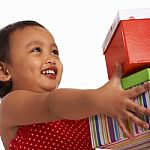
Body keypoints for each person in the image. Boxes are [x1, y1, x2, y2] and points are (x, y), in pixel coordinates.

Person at [0, 20, 150, 150]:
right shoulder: (10, 106)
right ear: (4, 71)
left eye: (54, 51)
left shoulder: (76, 108)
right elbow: (51, 104)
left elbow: (110, 136)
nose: (51, 58)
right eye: (36, 50)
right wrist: (99, 99)